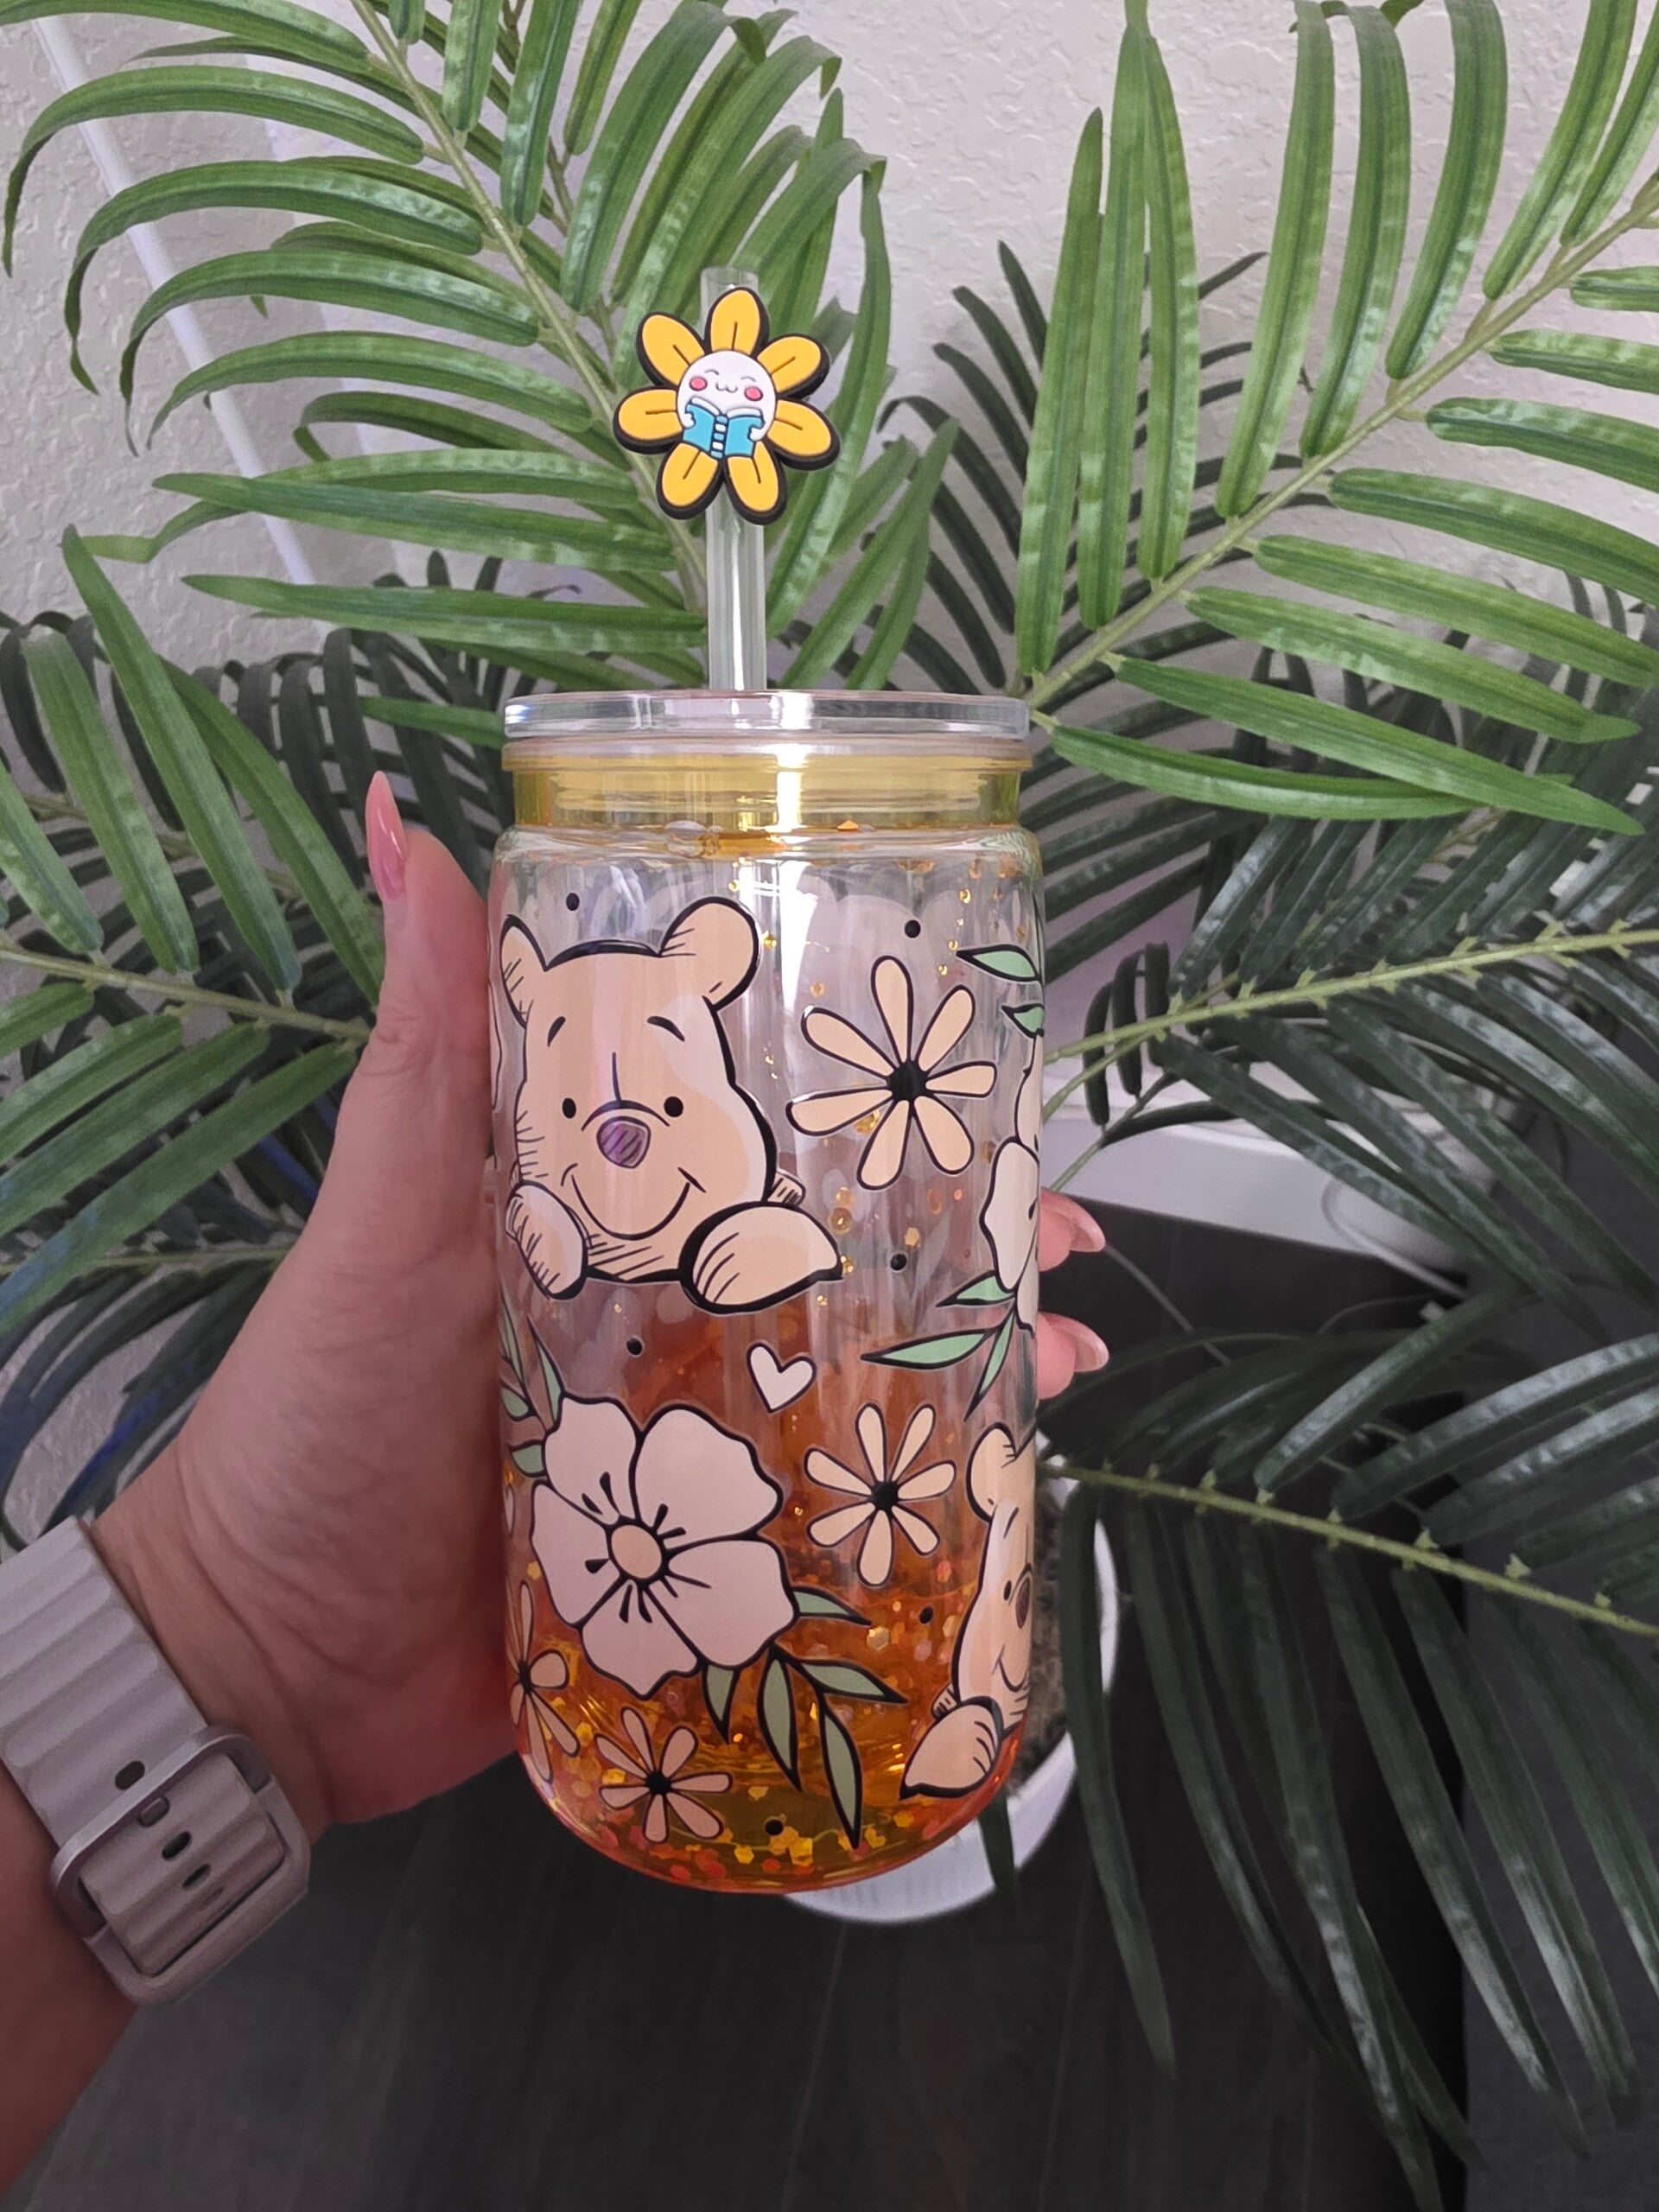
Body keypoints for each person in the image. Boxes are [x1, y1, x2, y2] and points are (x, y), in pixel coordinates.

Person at [0, 778, 1109, 2189]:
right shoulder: (560, 1133)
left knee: (915, 1336)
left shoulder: (934, 908)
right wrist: (227, 1635)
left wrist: (233, 1641)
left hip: (795, 1528)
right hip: (627, 1588)